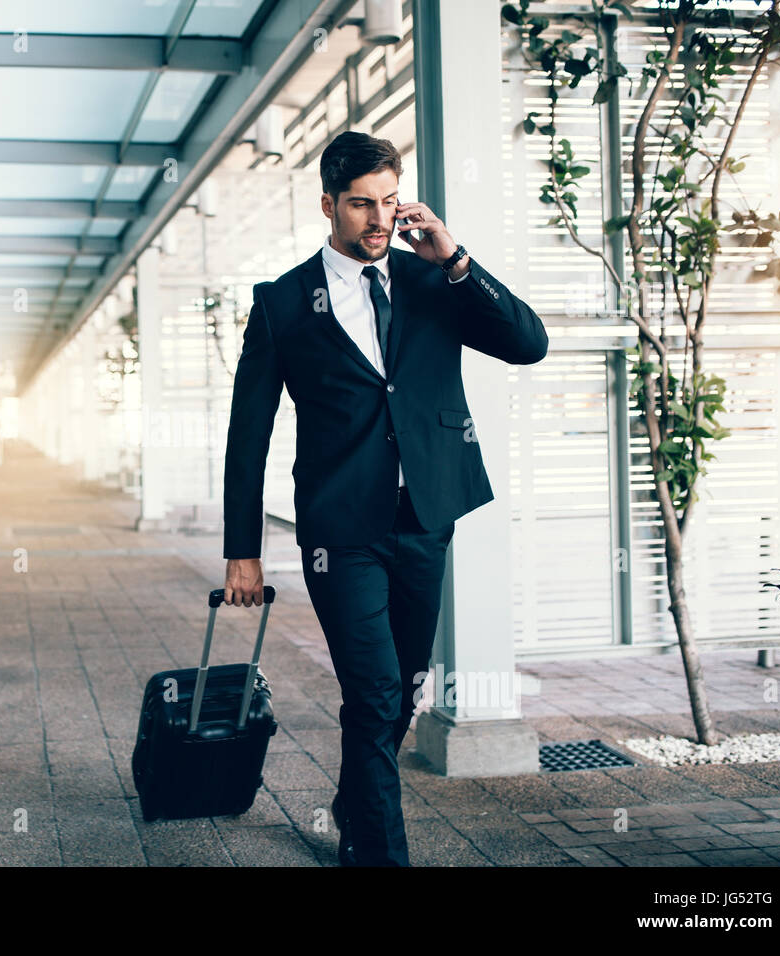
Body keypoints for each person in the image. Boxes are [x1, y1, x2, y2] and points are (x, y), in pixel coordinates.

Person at [220, 130, 548, 866]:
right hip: (341, 528)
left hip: (424, 517)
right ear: (329, 205)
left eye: (390, 202)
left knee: (400, 692)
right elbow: (249, 433)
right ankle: (377, 852)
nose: (378, 220)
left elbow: (529, 344)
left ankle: (352, 802)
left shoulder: (435, 279)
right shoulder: (281, 304)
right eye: (362, 205)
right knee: (372, 694)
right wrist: (243, 549)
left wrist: (457, 259)